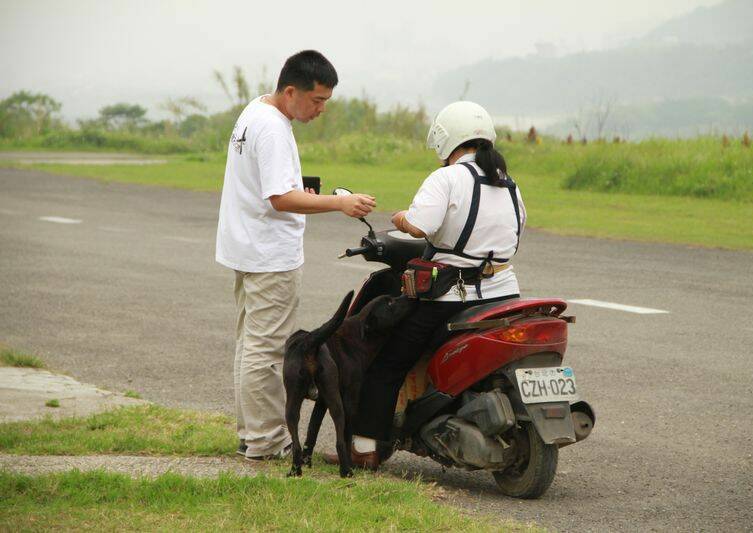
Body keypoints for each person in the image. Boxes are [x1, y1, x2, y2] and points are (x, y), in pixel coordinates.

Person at [325, 101, 527, 469]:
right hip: (504, 292)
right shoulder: (509, 184)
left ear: (446, 139)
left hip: (451, 296)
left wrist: (401, 218)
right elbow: (514, 233)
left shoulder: (447, 178)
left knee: (388, 363)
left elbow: (420, 226)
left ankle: (365, 448)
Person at [215, 50, 376, 461]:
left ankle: (251, 434)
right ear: (291, 91)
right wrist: (339, 205)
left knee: (250, 345)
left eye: (325, 101)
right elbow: (280, 198)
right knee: (267, 351)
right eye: (316, 100)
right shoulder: (271, 127)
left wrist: (320, 196)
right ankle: (268, 442)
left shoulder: (256, 111)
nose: (320, 109)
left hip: (248, 247)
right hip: (269, 254)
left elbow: (273, 189)